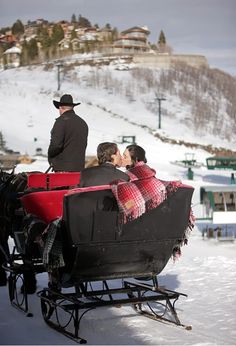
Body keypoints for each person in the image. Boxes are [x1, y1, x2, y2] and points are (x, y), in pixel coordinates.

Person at [48, 94, 88, 172]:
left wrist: (50, 156)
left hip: (62, 169)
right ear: (72, 107)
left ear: (60, 107)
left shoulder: (61, 121)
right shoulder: (83, 123)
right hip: (79, 169)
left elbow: (56, 145)